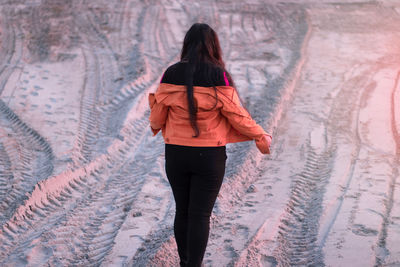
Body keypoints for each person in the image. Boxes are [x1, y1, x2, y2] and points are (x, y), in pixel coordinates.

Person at [148, 23, 272, 267]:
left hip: (176, 154)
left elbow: (156, 119)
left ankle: (185, 263)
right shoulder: (219, 75)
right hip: (209, 157)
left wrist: (159, 122)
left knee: (182, 211)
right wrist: (260, 135)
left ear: (187, 45)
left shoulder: (170, 73)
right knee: (200, 215)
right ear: (214, 46)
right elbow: (238, 116)